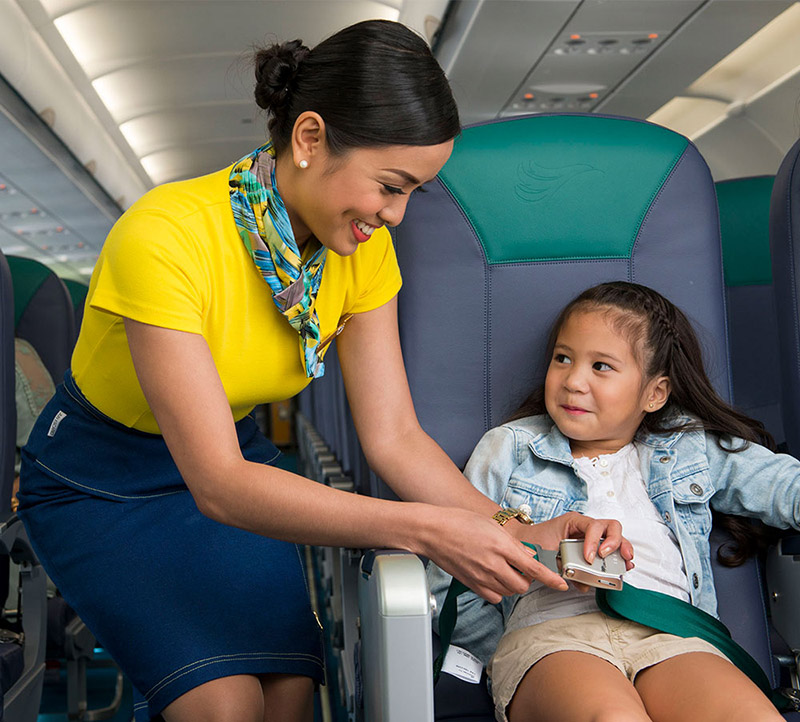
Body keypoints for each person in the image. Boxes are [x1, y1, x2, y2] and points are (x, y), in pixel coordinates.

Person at [16, 20, 630, 722]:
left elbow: (395, 435)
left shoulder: (359, 250)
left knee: (290, 698)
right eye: (389, 186)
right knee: (222, 707)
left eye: (413, 195)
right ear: (309, 139)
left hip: (237, 460)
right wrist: (426, 530)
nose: (395, 216)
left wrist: (512, 527)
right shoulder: (165, 236)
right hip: (99, 482)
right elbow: (216, 484)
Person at [428, 281, 796, 722]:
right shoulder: (510, 449)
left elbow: (782, 486)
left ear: (654, 394)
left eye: (601, 366)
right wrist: (502, 648)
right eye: (563, 358)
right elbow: (449, 575)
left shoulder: (687, 447)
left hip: (673, 632)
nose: (573, 381)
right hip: (553, 637)